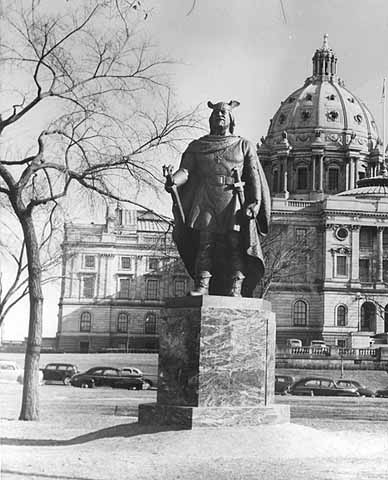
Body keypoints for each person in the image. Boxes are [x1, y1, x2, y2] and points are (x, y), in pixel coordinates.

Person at [165, 100, 270, 297]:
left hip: (233, 201)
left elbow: (253, 174)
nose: (219, 116)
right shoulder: (198, 146)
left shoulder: (243, 145)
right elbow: (186, 171)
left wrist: (255, 202)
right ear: (210, 119)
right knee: (205, 244)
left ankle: (235, 288)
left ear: (231, 118)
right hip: (205, 199)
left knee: (235, 245)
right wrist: (173, 180)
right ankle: (202, 286)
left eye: (223, 113)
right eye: (215, 114)